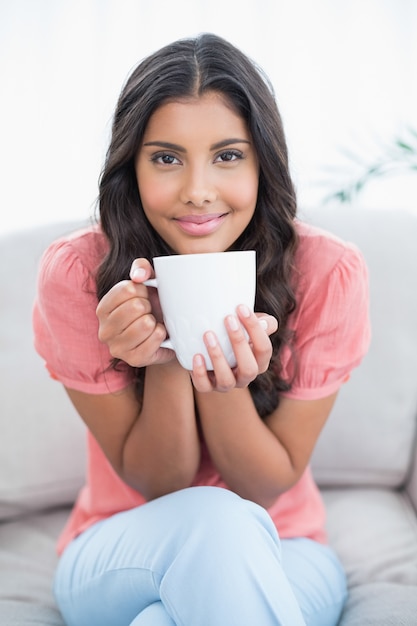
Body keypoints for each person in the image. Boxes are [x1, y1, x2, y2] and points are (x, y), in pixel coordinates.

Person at [33, 33, 370, 626]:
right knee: (214, 518)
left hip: (287, 544)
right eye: (166, 158)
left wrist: (223, 383)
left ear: (263, 162)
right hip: (124, 542)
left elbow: (264, 488)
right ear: (130, 168)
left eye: (228, 155)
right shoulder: (78, 274)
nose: (196, 190)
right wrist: (164, 358)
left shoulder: (326, 272)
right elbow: (157, 483)